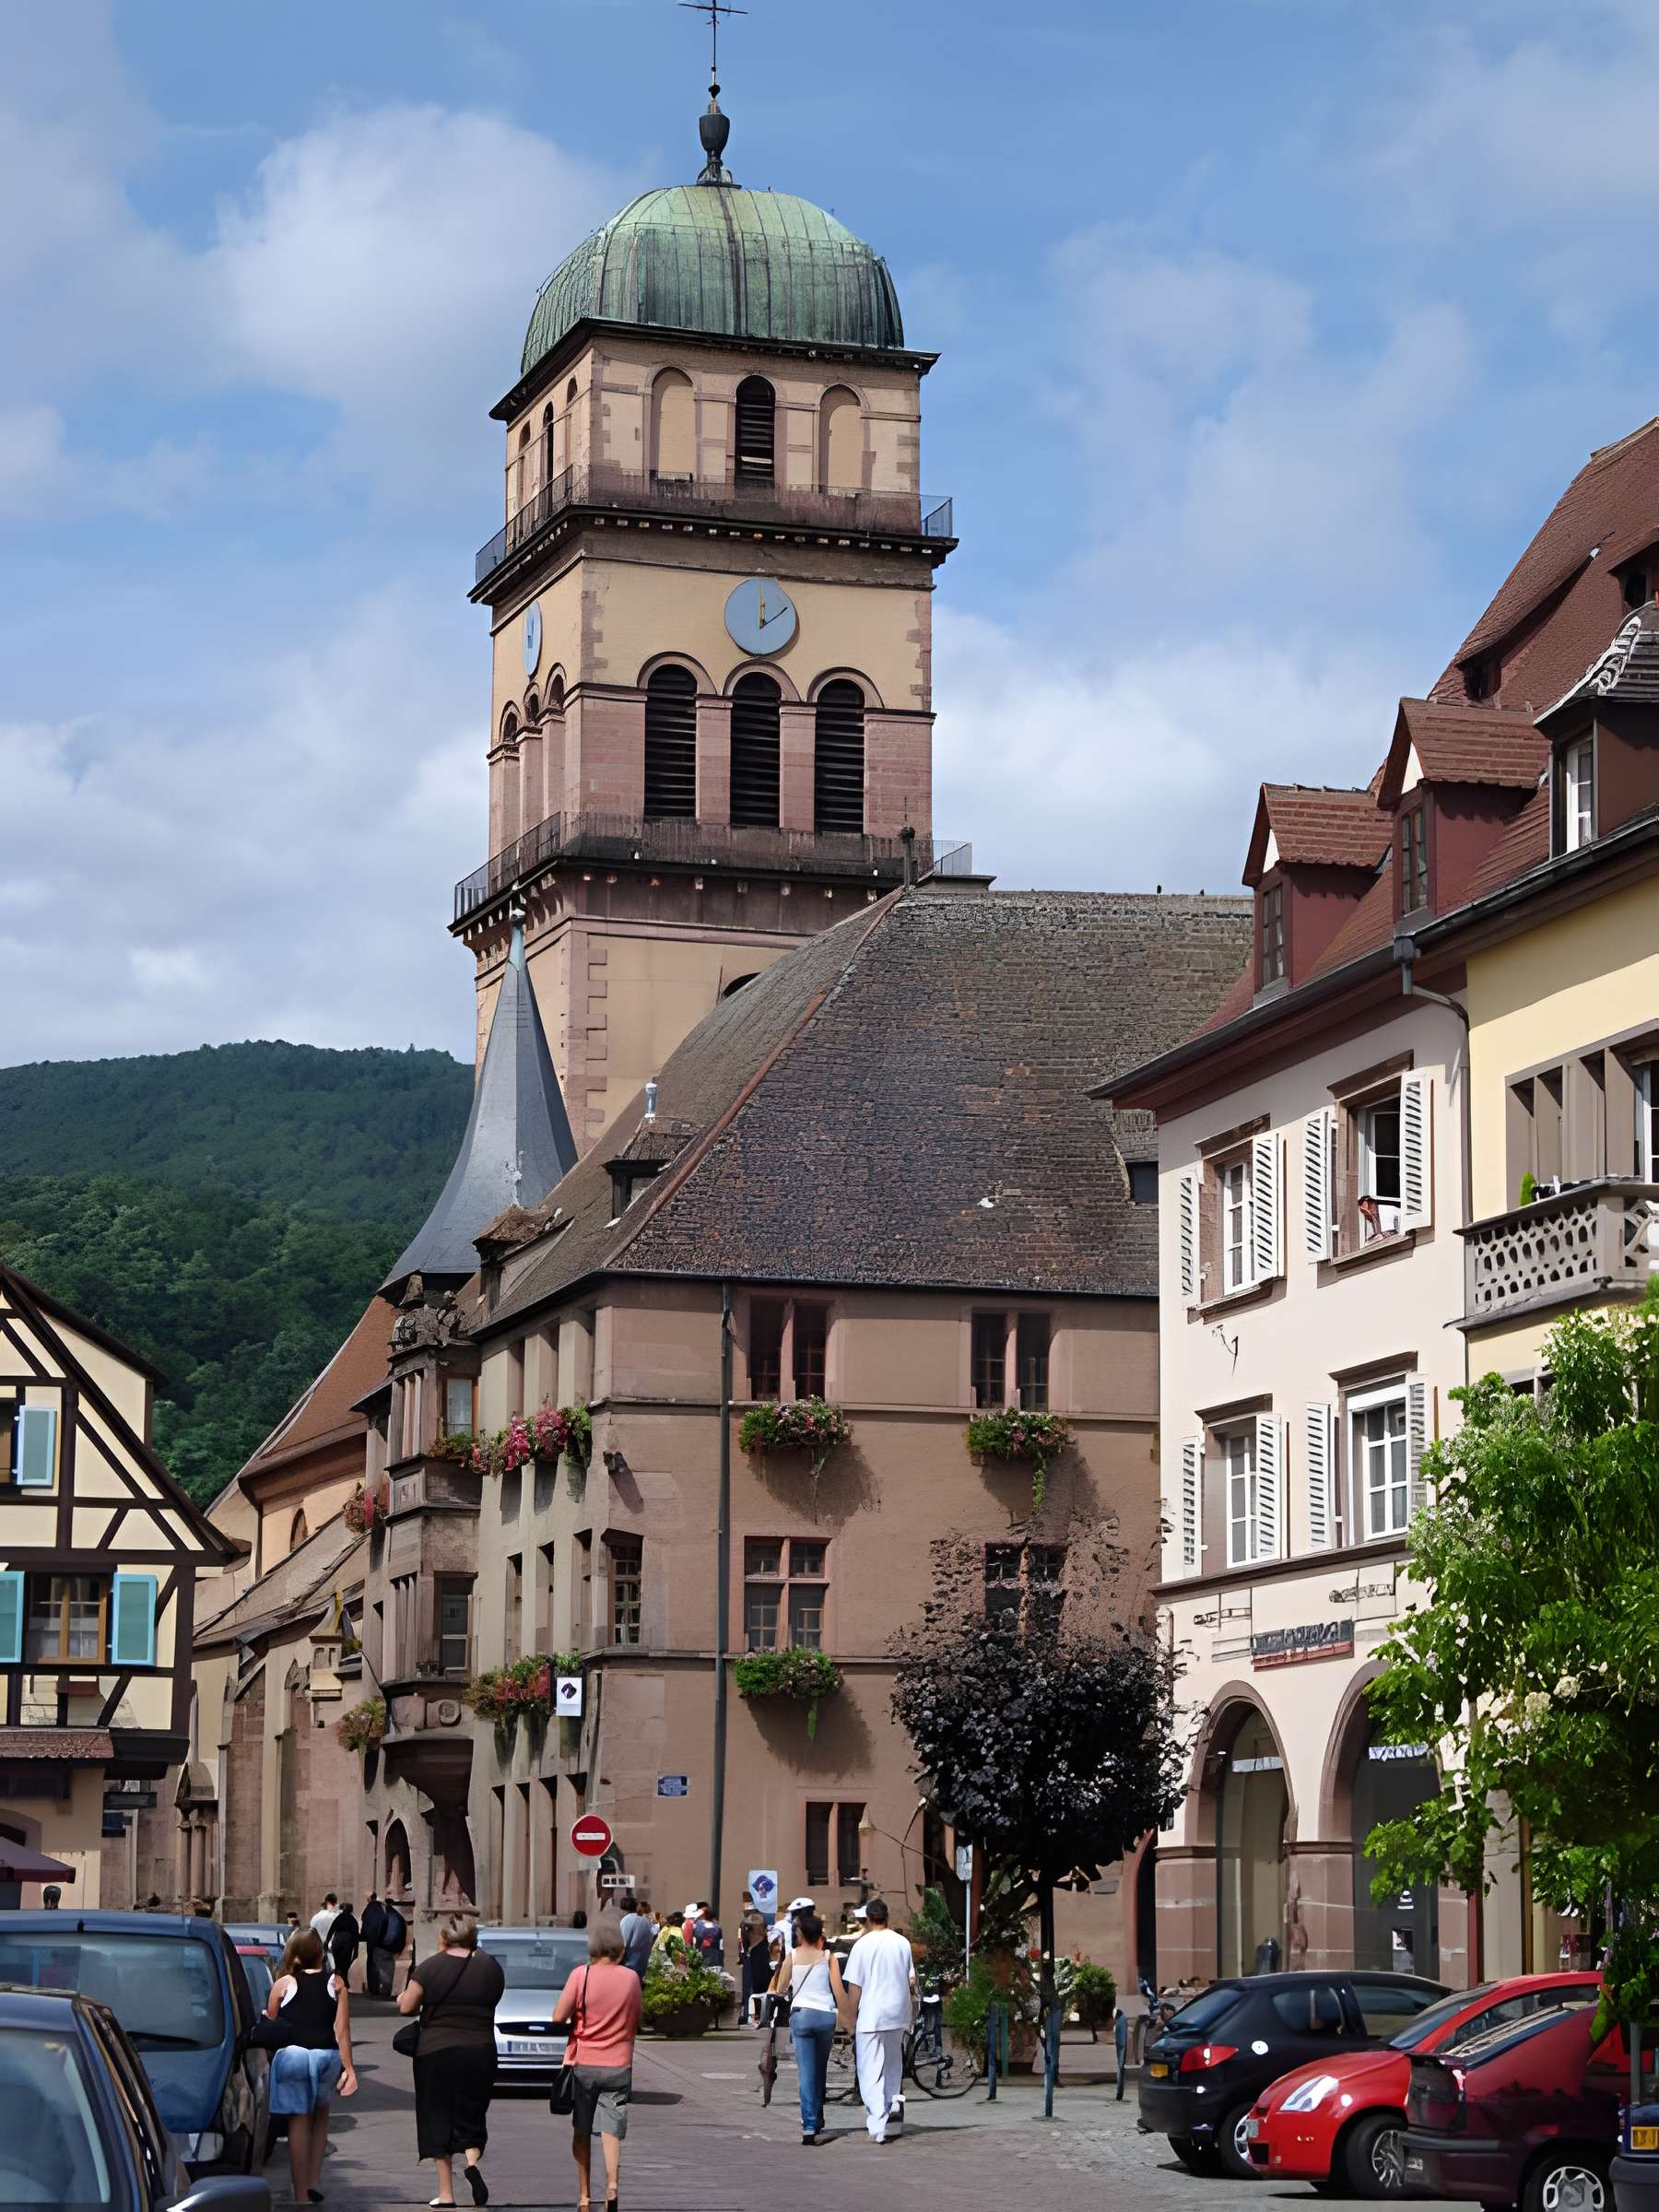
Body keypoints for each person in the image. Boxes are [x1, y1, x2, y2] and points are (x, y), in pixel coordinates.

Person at [397, 1912, 505, 2207]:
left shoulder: (429, 1968)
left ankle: (446, 2194)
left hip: (435, 2052)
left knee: (437, 2117)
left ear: (444, 1937)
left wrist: (405, 1999)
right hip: (479, 2050)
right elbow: (494, 1998)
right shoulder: (490, 1967)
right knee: (472, 2112)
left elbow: (407, 2007)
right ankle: (472, 2162)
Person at [553, 1912, 641, 2212]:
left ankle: (584, 2195)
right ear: (619, 1947)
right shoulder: (631, 1978)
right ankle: (612, 2185)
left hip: (584, 2063)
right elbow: (635, 2019)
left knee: (581, 2130)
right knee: (611, 2126)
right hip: (618, 2064)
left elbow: (558, 2016)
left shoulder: (582, 1975)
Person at [265, 1928, 358, 2206]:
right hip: (325, 2056)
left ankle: (301, 2194)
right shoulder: (336, 1983)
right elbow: (342, 2030)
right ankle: (314, 2181)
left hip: (293, 2055)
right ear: (320, 1953)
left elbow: (273, 2025)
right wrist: (349, 2069)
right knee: (321, 2116)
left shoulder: (283, 1984)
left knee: (299, 2120)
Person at [771, 1908, 847, 2146]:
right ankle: (819, 2116)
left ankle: (810, 2125)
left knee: (806, 2072)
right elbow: (839, 1992)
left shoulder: (792, 1956)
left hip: (802, 2016)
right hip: (826, 2016)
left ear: (801, 1934)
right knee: (820, 2069)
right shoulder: (829, 1958)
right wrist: (850, 2022)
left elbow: (781, 1988)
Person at [842, 1898, 915, 2146]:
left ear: (867, 1919)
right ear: (887, 1917)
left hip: (871, 2014)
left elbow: (854, 1986)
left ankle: (878, 2120)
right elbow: (911, 1980)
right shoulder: (902, 1943)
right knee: (893, 2065)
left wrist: (851, 2018)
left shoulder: (861, 1946)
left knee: (870, 2069)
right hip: (897, 2013)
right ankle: (892, 2109)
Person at [740, 1896, 771, 2025]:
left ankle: (751, 2014)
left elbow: (743, 1941)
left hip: (752, 1955)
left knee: (750, 1988)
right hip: (759, 1953)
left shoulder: (747, 1922)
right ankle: (758, 2014)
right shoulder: (761, 1920)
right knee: (757, 1987)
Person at [359, 1891, 391, 1998]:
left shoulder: (368, 1909)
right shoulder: (382, 1908)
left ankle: (373, 1988)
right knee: (381, 1963)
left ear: (369, 1899)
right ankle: (383, 1988)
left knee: (371, 1963)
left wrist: (363, 1936)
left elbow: (365, 1924)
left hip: (371, 1941)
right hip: (382, 1940)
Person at [616, 1893, 654, 1981]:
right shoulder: (646, 1920)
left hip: (629, 1965)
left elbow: (623, 1944)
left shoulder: (625, 1921)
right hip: (643, 1964)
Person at [328, 1901, 360, 1986]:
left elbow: (331, 1931)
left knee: (338, 1962)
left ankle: (338, 1980)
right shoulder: (353, 1920)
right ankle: (344, 1980)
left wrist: (327, 1942)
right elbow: (356, 1936)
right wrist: (356, 1950)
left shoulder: (339, 1918)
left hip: (337, 1941)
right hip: (348, 1942)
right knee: (346, 1962)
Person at [690, 1902, 724, 1970]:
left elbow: (696, 1941)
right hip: (716, 1959)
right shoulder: (716, 1926)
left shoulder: (698, 1925)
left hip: (703, 1959)